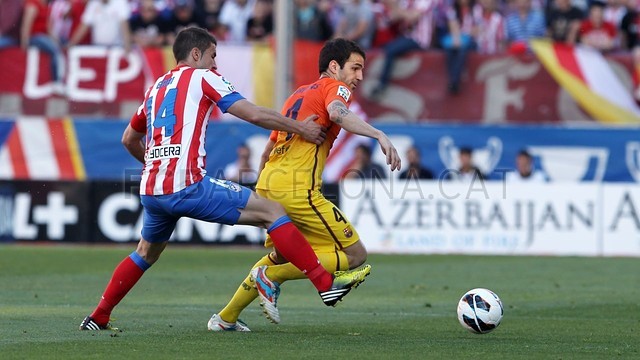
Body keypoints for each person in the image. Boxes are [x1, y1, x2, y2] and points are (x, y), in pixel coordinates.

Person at [79, 27, 370, 331]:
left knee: (145, 252)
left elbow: (129, 138)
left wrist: (157, 164)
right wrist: (300, 128)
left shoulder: (156, 88)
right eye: (213, 56)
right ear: (196, 54)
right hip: (188, 184)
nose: (216, 64)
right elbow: (254, 114)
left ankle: (99, 316)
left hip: (153, 190)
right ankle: (324, 283)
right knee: (273, 212)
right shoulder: (204, 77)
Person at [209, 38, 401, 331]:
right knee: (355, 255)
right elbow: (337, 112)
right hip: (298, 188)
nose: (359, 77)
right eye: (355, 68)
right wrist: (379, 135)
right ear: (334, 67)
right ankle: (272, 279)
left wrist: (264, 193)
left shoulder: (297, 95)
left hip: (269, 183)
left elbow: (266, 150)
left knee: (281, 255)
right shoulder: (335, 87)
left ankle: (225, 318)